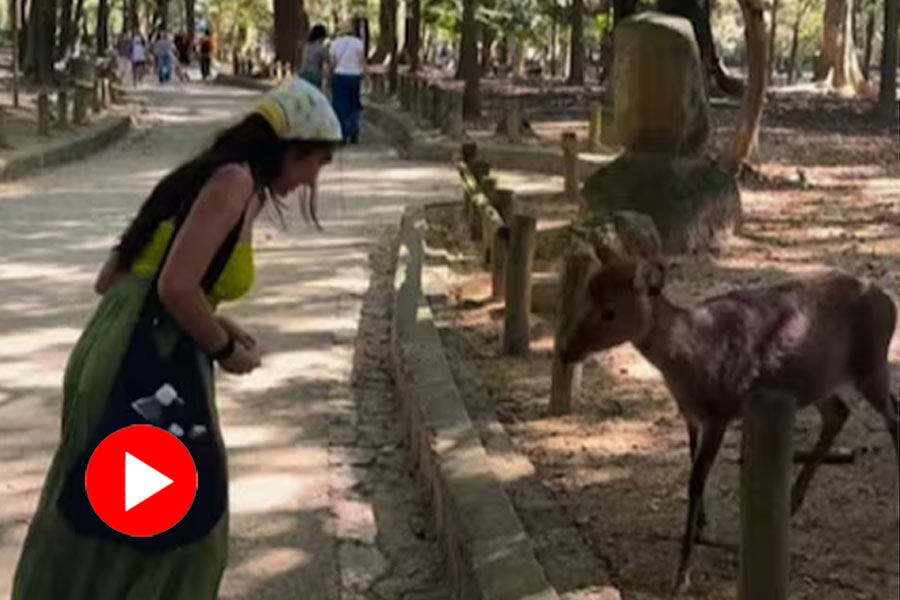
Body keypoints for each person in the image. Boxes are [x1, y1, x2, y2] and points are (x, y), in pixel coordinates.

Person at [10, 77, 343, 600]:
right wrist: (224, 348)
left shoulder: (211, 177)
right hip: (146, 355)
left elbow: (117, 279)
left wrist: (212, 319)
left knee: (110, 512)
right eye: (315, 162)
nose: (311, 180)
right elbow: (174, 285)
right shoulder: (233, 183)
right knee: (178, 525)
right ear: (289, 148)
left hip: (117, 339)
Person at [329, 21, 365, 144]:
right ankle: (354, 131)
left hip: (340, 75)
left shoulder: (335, 44)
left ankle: (342, 133)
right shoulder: (358, 43)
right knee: (354, 104)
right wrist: (365, 74)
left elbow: (333, 62)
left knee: (340, 105)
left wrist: (329, 76)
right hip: (355, 75)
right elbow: (361, 60)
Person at [298, 24, 328, 89]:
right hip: (315, 74)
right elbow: (328, 61)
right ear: (322, 36)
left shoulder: (306, 46)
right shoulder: (322, 48)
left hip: (303, 71)